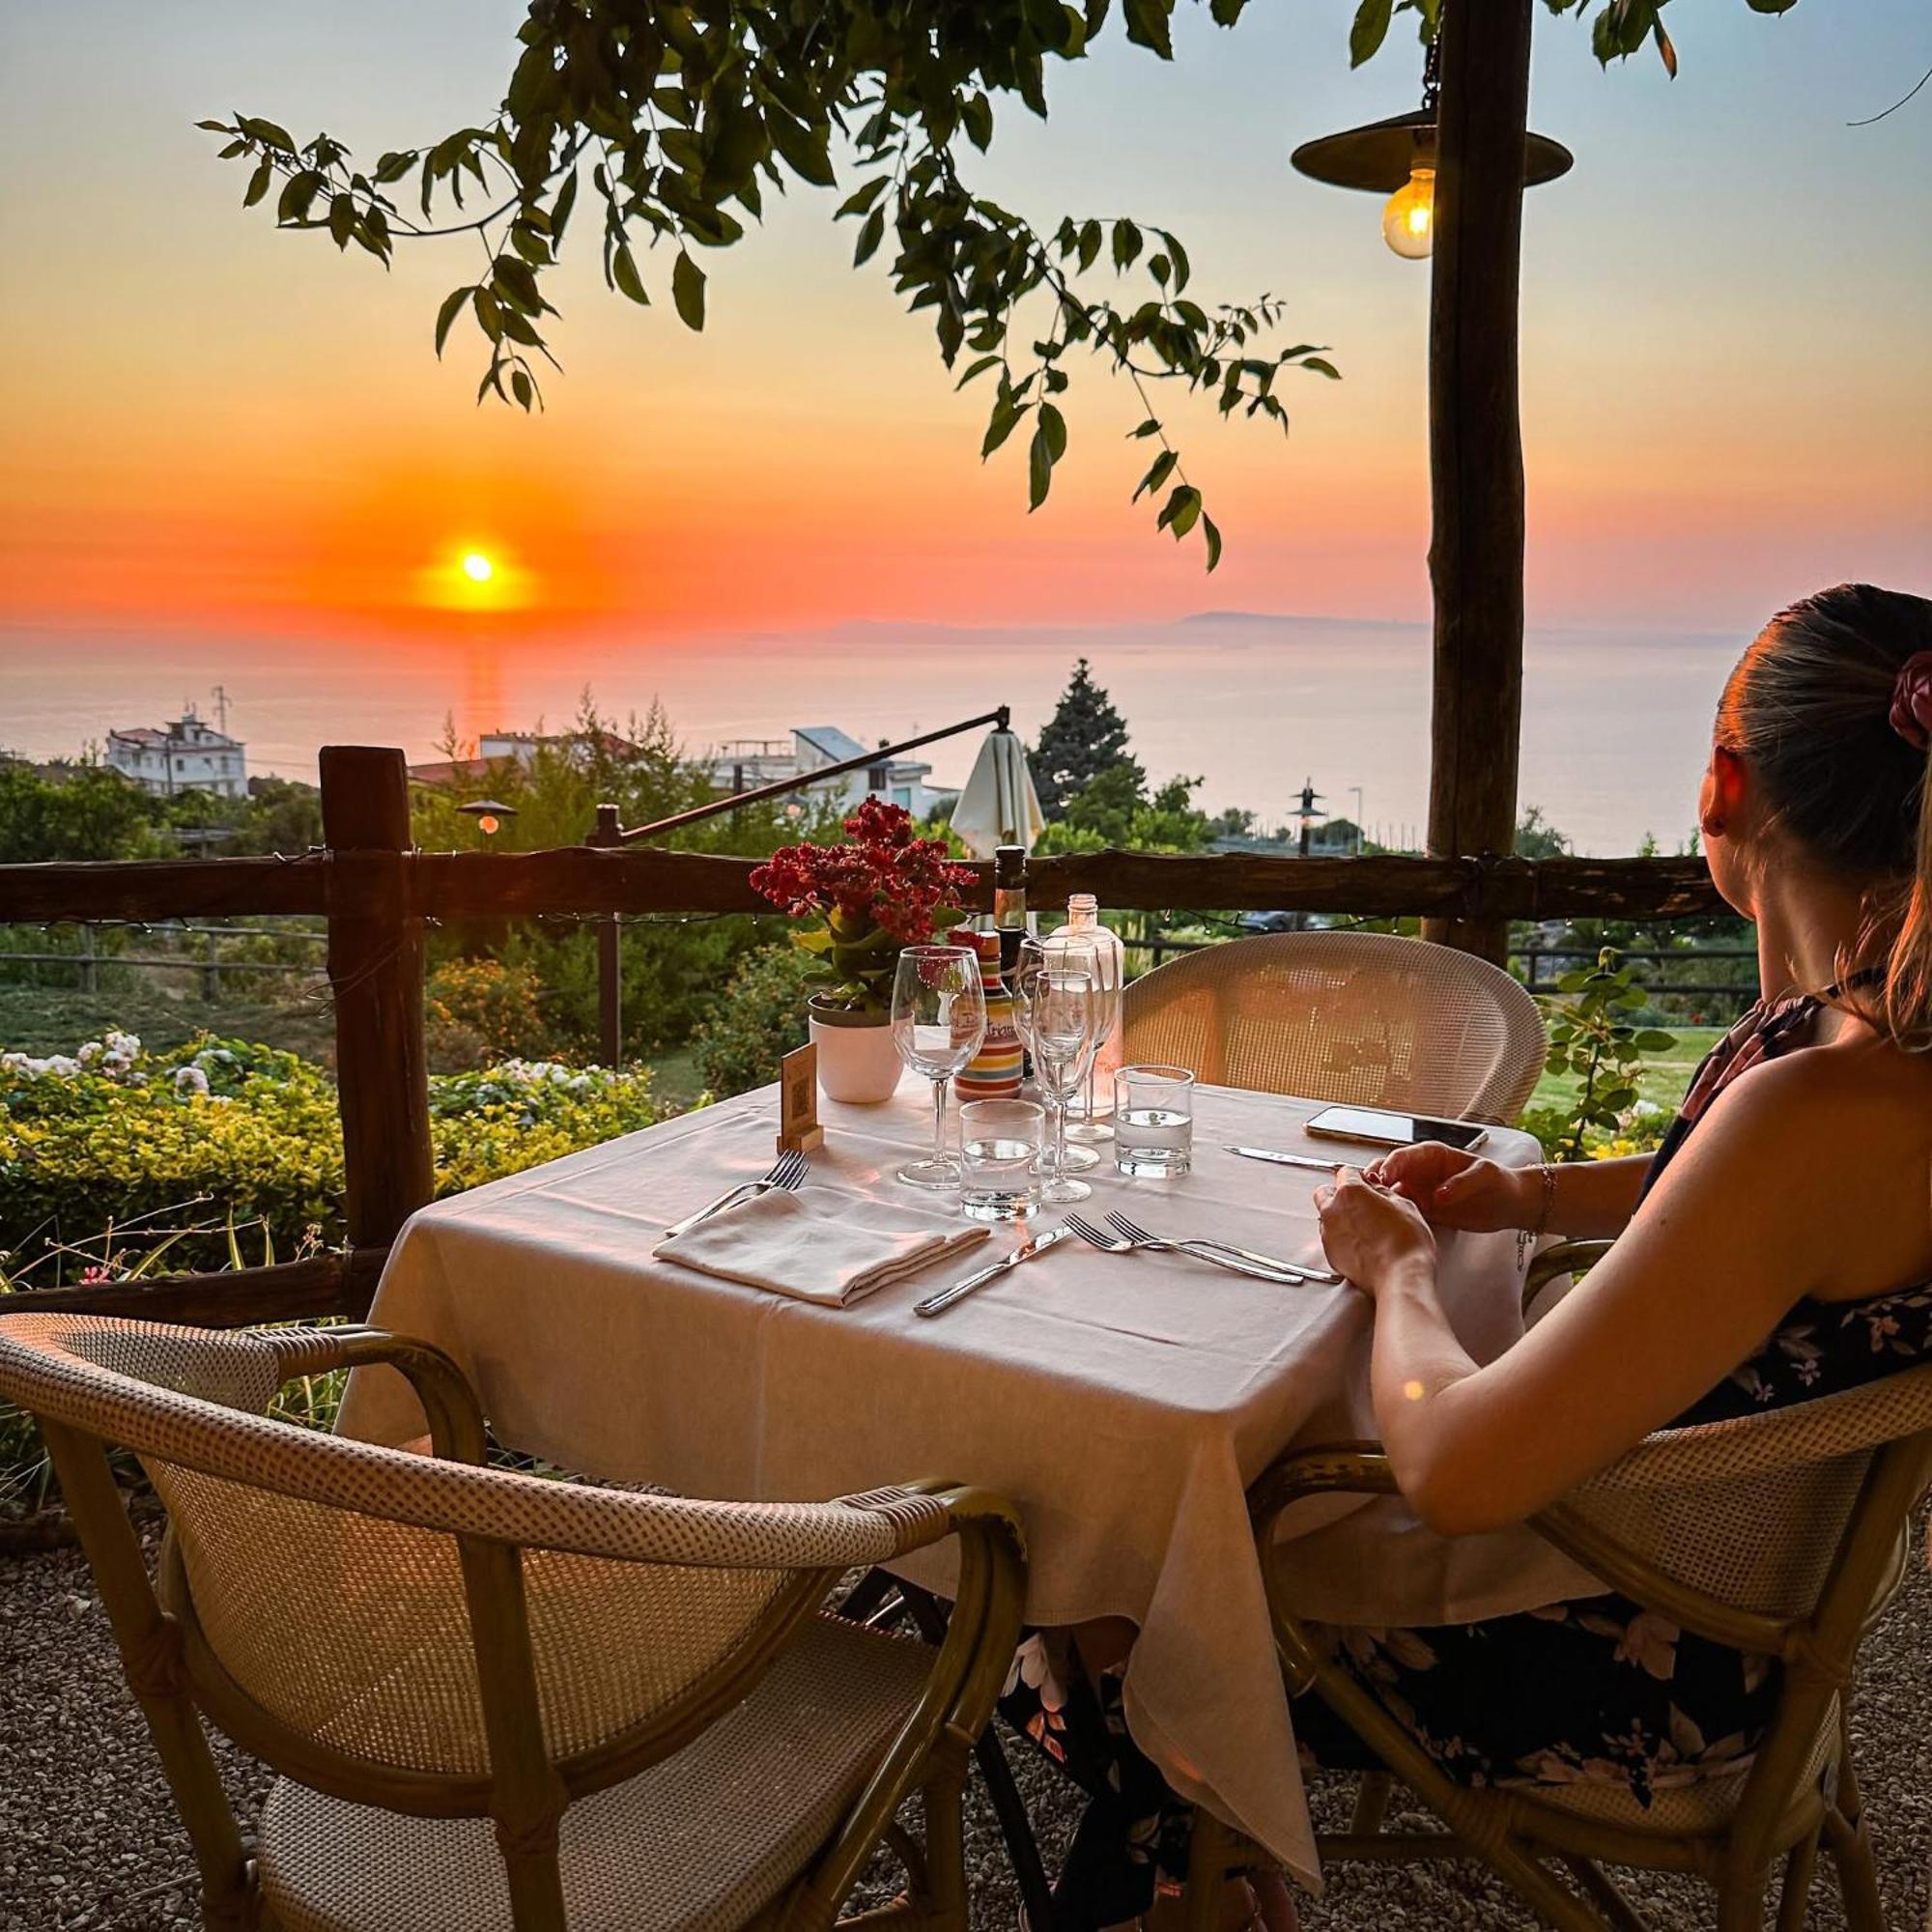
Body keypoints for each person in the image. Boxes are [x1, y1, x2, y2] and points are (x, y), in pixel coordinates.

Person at [999, 583, 1932, 1931]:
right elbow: (1734, 1210)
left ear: (1726, 788)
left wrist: (1401, 1270)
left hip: (1646, 1658)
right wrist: (1525, 1196)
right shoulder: (1871, 1048)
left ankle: (1188, 1868)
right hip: (1755, 1601)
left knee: (1113, 1578)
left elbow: (1459, 1471)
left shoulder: (1821, 1105)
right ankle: (1202, 1860)